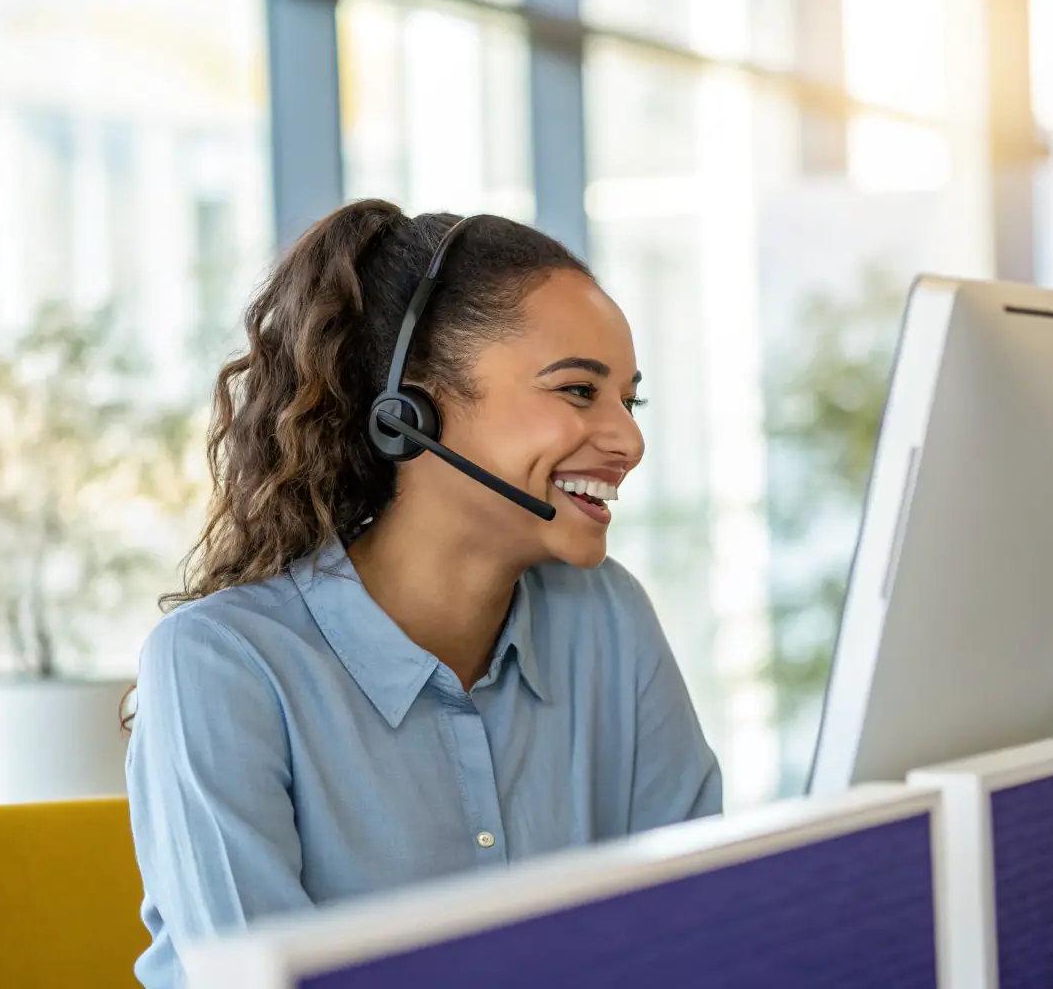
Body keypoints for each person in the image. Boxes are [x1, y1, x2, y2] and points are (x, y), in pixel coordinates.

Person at [125, 201, 722, 987]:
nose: (629, 440)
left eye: (628, 401)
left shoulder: (607, 618)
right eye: (578, 390)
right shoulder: (224, 664)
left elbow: (697, 930)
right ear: (412, 410)